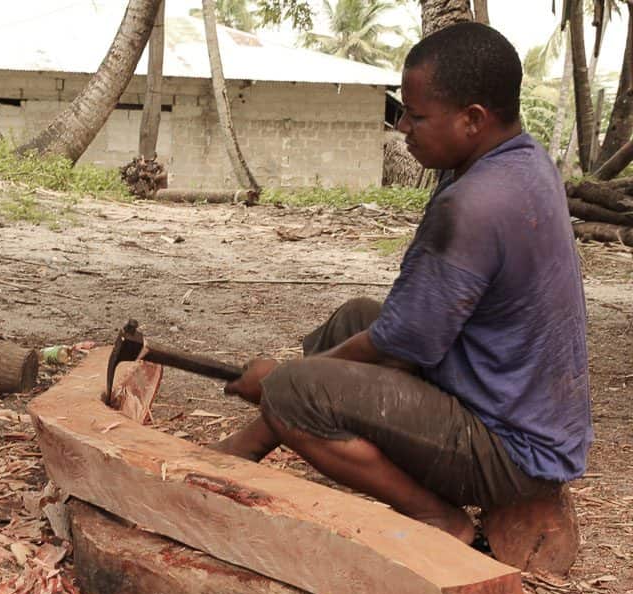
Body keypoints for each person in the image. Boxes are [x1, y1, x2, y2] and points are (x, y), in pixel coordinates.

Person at [216, 22, 592, 545]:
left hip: (512, 451)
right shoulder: (520, 162)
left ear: (473, 119)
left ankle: (439, 517)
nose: (403, 130)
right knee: (354, 318)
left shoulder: (475, 203)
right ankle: (250, 445)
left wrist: (282, 377)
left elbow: (401, 344)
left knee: (294, 387)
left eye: (416, 117)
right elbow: (403, 328)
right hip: (521, 414)